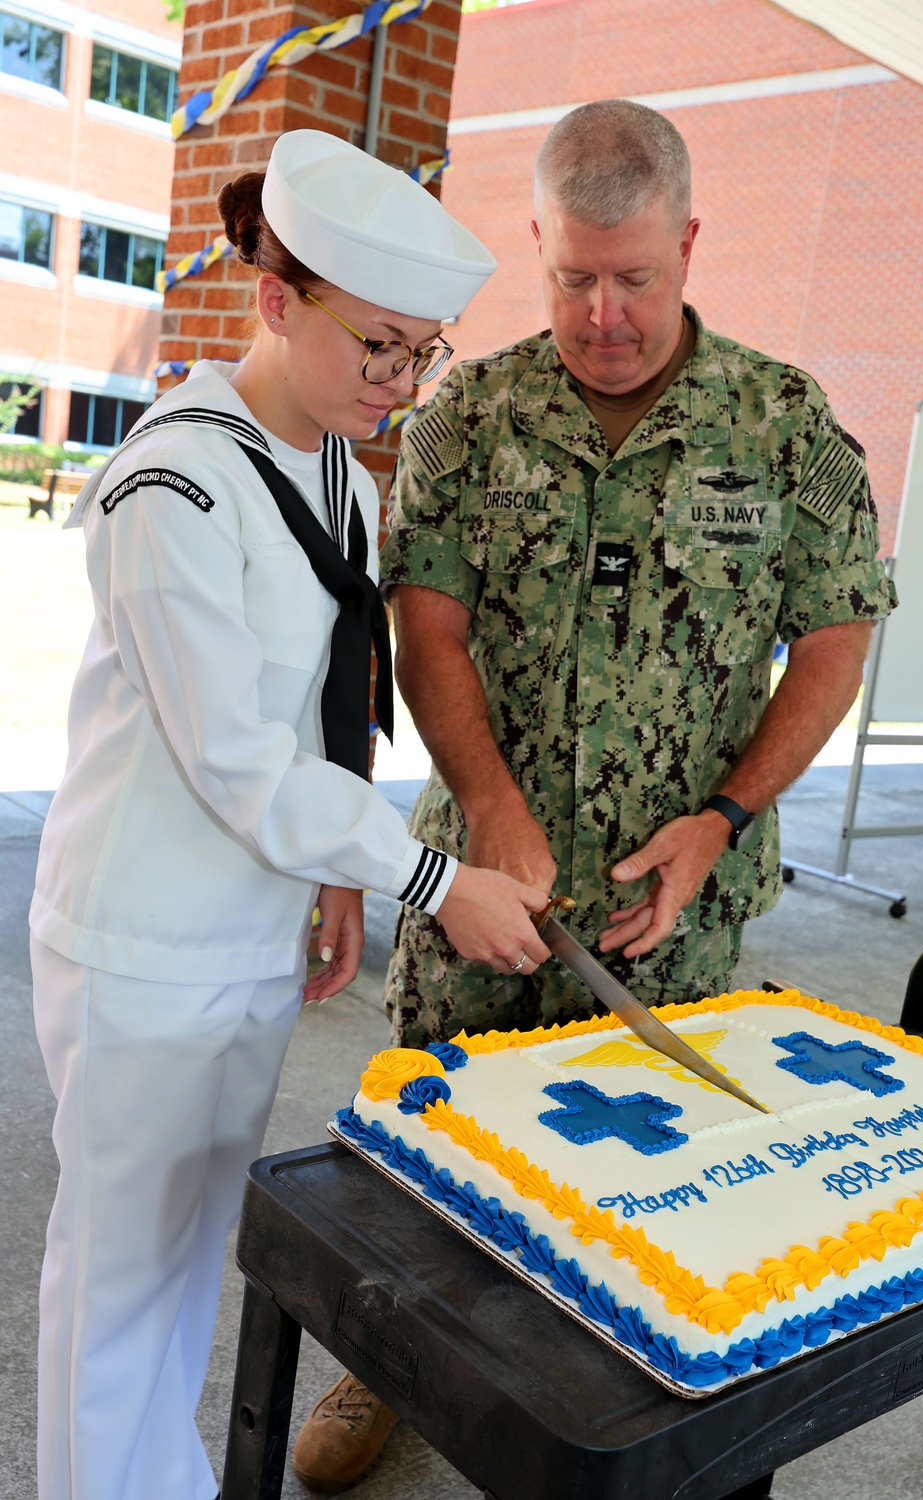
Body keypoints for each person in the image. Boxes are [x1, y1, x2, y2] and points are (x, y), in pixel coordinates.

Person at [292, 100, 896, 1494]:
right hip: (483, 885)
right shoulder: (471, 414)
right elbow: (425, 625)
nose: (606, 313)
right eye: (574, 279)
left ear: (689, 243)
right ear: (537, 247)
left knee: (649, 1180)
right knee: (437, 1149)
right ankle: (380, 1367)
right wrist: (491, 805)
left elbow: (839, 634)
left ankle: (613, 1417)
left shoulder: (783, 424)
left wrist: (724, 817)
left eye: (637, 276)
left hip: (668, 915)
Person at [28, 129, 550, 1500]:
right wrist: (429, 879)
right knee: (117, 1278)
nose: (401, 382)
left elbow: (334, 693)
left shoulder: (338, 475)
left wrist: (331, 882)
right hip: (142, 941)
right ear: (275, 298)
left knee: (195, 1250)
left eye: (420, 353)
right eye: (381, 347)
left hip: (252, 929)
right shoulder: (172, 485)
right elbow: (238, 759)